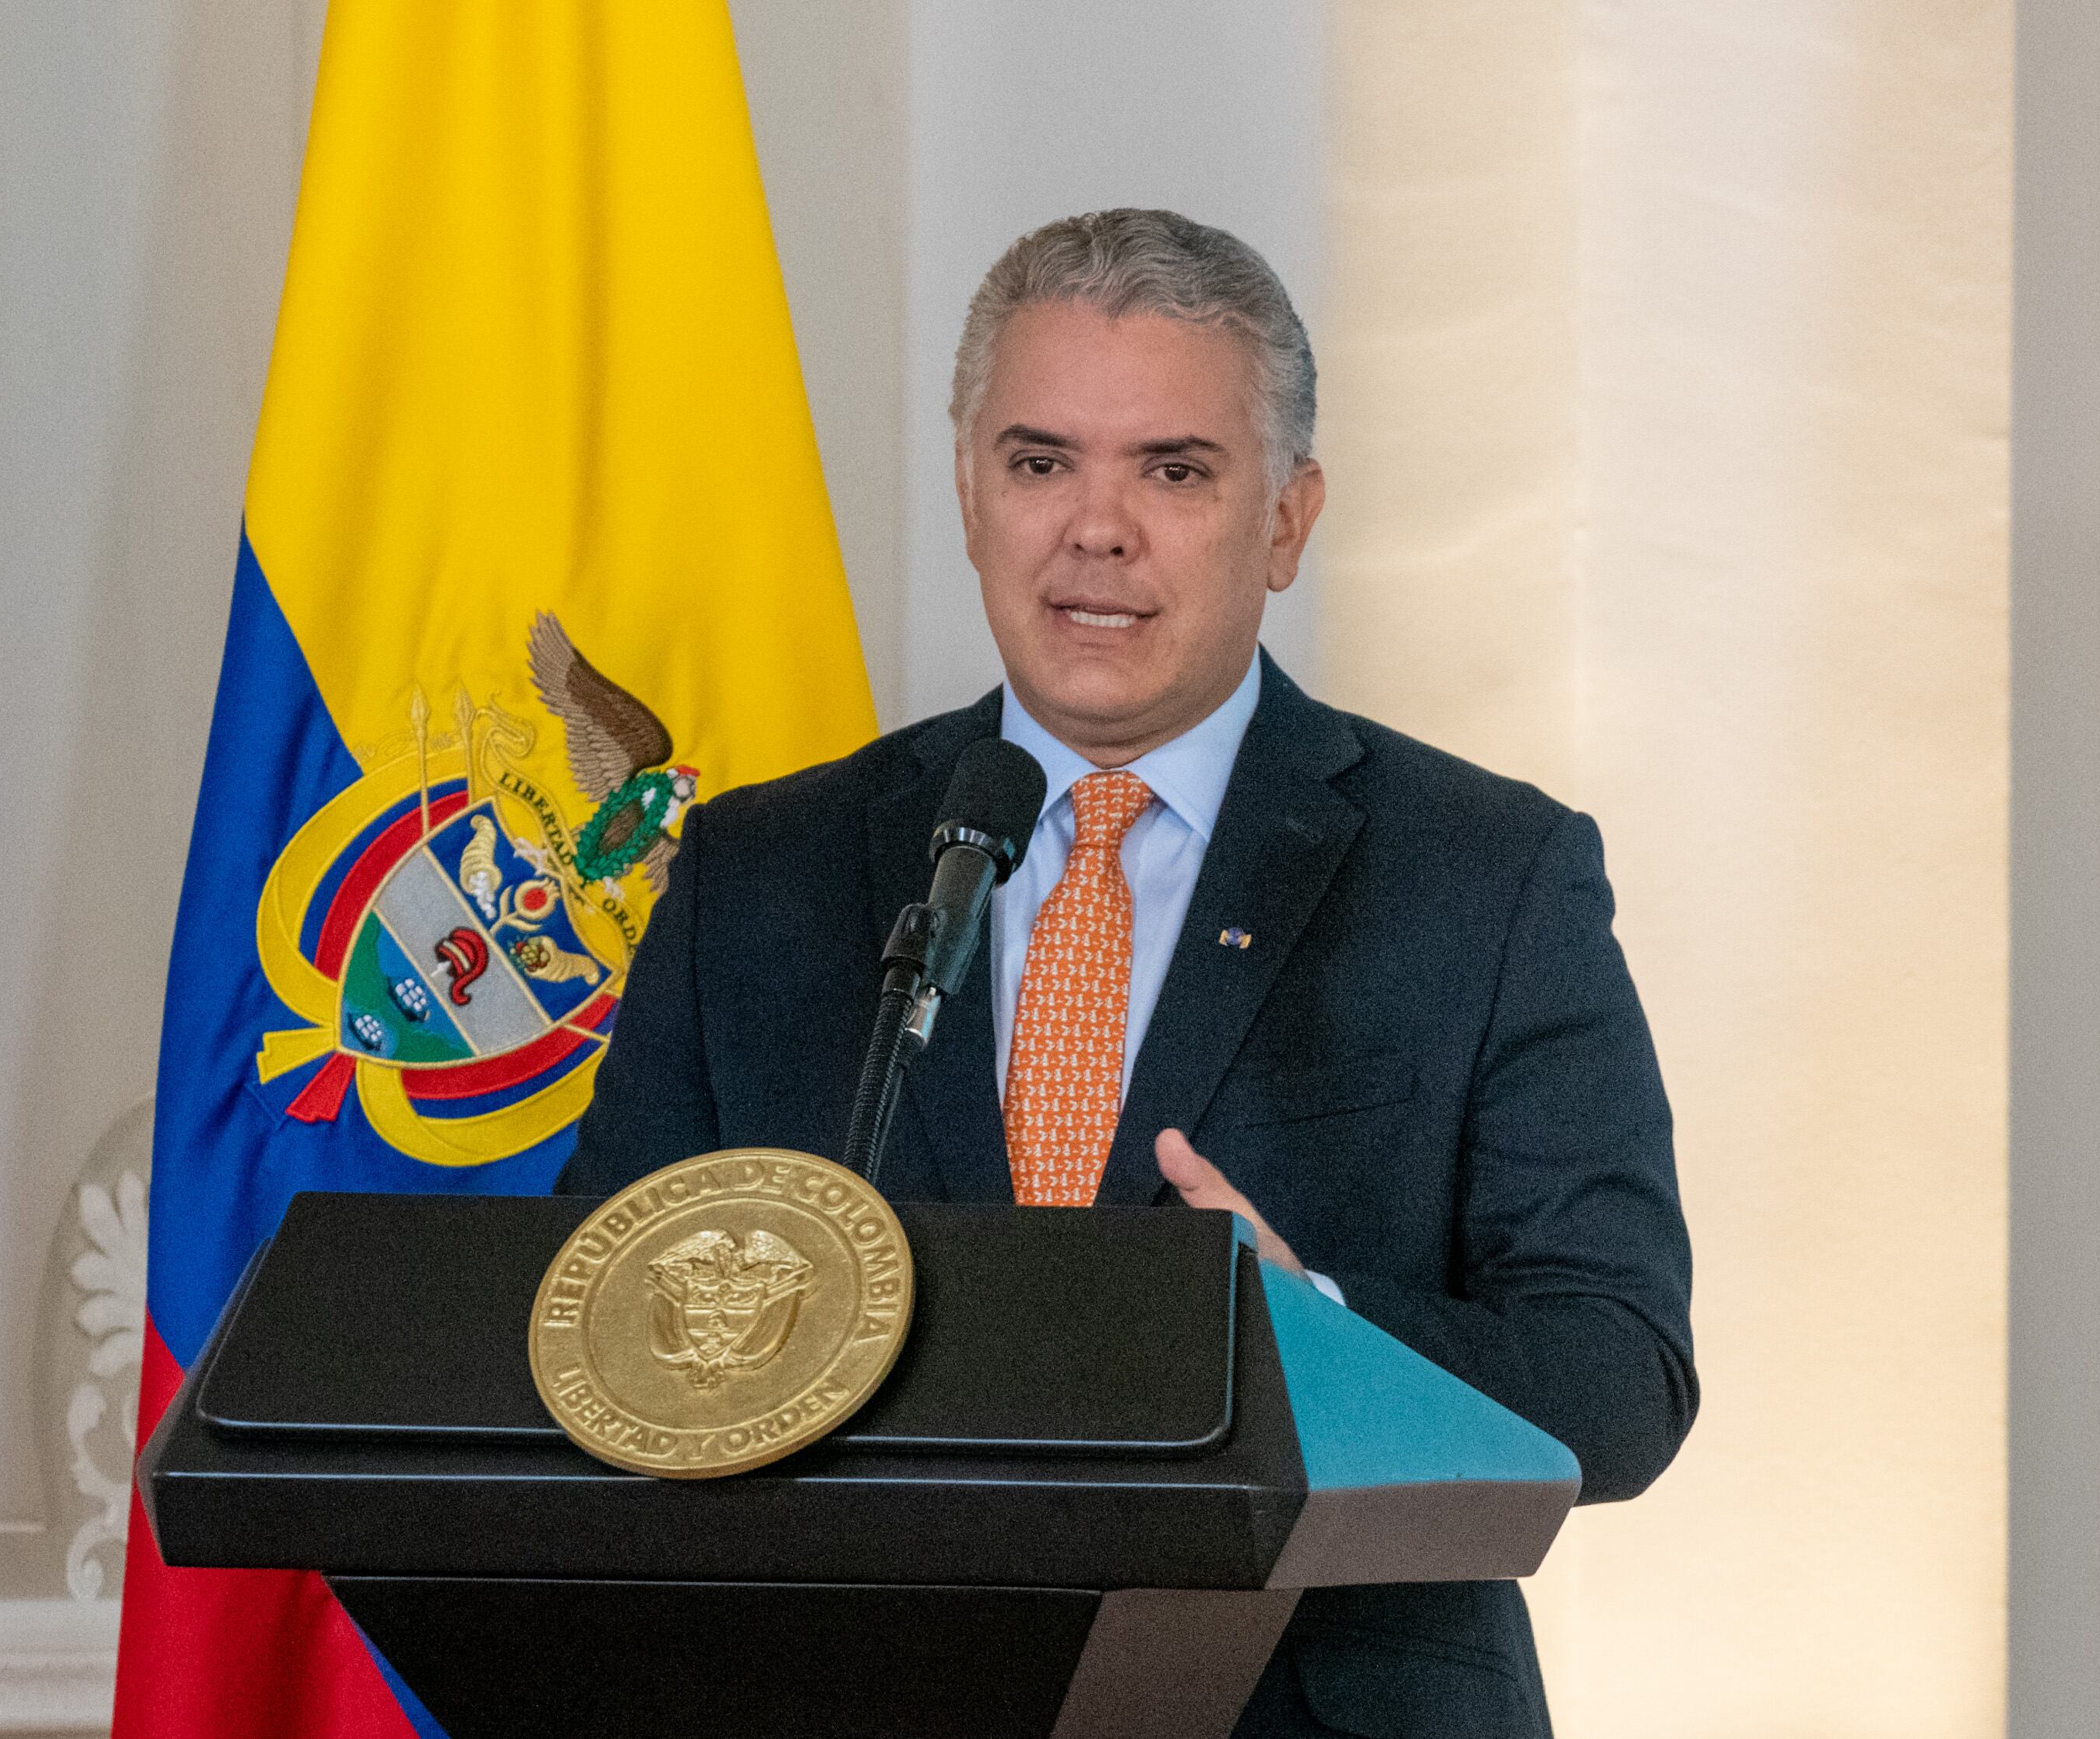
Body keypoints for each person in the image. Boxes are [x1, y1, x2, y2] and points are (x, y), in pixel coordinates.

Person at [559, 208, 1697, 1737]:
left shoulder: (1485, 874)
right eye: (1040, 463)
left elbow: (1616, 1376)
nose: (1095, 528)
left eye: (1173, 471)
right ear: (971, 497)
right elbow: (596, 1313)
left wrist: (1311, 1334)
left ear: (1285, 521)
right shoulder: (767, 870)